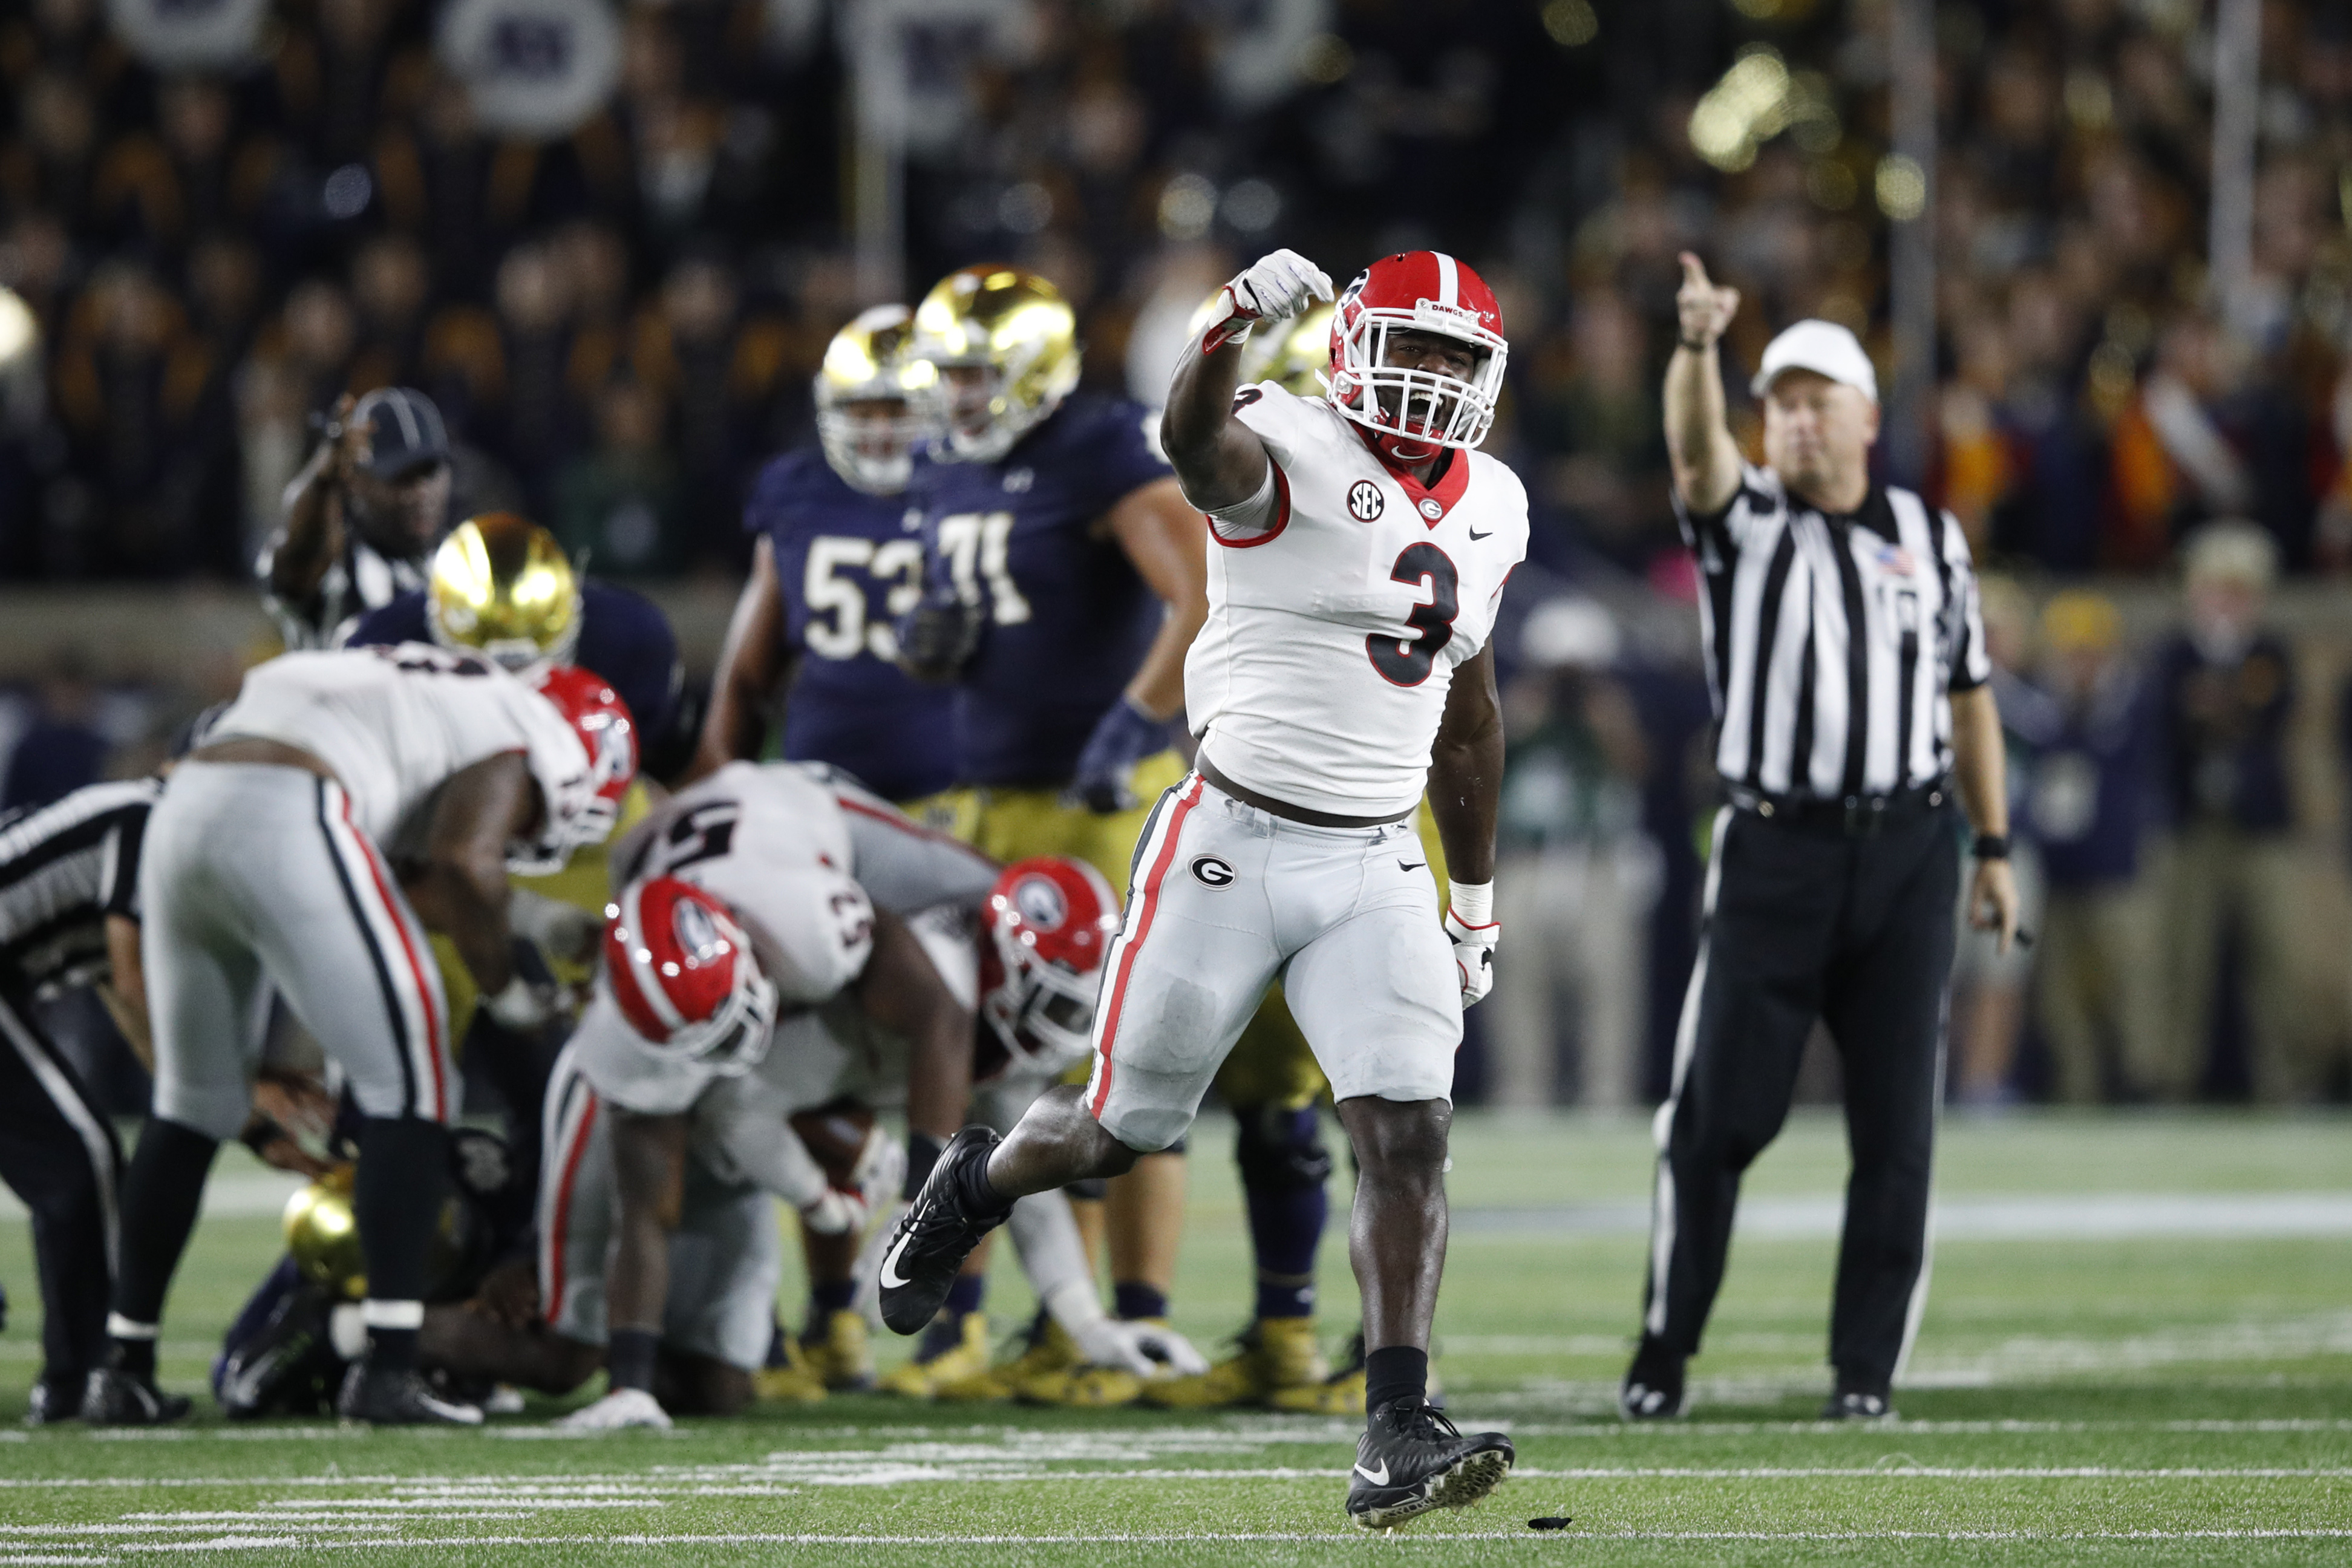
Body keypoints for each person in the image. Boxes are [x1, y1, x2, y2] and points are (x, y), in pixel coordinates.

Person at [873, 247, 1527, 1530]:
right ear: (1347, 346)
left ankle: (1398, 1423)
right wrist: (1226, 324)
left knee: (1407, 1130)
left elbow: (1472, 722)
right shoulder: (1278, 435)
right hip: (1227, 841)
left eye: (1457, 356)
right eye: (1413, 346)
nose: (1433, 377)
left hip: (1378, 855)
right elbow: (1190, 443)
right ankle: (971, 1188)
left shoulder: (1496, 501)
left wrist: (1476, 900)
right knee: (1120, 1133)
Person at [1621, 259, 2019, 1425]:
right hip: (1772, 851)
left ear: (1864, 415)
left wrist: (1990, 846)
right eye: (1777, 403)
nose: (1793, 420)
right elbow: (1696, 458)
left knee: (1896, 1128)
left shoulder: (1926, 536)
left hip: (1906, 852)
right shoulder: (1744, 523)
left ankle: (1863, 1371)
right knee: (1714, 1122)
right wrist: (1696, 351)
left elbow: (1968, 696)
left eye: (1814, 400)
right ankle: (1665, 1347)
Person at [82, 645, 635, 1426]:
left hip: (189, 807)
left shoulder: (427, 700)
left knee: (192, 1101)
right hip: (291, 800)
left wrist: (538, 920)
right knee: (413, 1090)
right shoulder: (528, 729)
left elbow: (418, 871)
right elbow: (465, 862)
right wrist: (511, 992)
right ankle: (389, 1371)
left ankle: (123, 1369)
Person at [887, 266, 1212, 1404]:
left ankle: (1135, 1322)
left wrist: (1134, 719)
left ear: (1030, 371)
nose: (958, 397)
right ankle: (967, 1326)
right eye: (950, 377)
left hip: (1096, 797)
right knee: (979, 1059)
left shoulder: (1100, 444)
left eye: (977, 375)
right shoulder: (943, 461)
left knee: (1121, 1064)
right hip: (989, 791)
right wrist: (930, 644)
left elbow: (1199, 591)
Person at [695, 304, 955, 811]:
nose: (880, 432)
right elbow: (748, 677)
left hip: (953, 791)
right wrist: (721, 795)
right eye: (863, 411)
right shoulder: (799, 492)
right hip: (820, 788)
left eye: (898, 410)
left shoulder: (976, 492)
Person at [2148, 523, 2310, 1101]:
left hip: (2258, 824)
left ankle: (2286, 1081)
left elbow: (2269, 719)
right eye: (2217, 589)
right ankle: (2169, 1080)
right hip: (2192, 822)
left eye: (2238, 591)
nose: (2226, 603)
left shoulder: (2271, 652)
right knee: (2181, 956)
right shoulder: (2173, 652)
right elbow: (2168, 722)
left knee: (2277, 957)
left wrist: (2217, 703)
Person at [2024, 591, 2161, 1103]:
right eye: (2070, 651)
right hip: (2057, 866)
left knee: (2132, 980)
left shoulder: (2132, 703)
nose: (2079, 662)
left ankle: (2144, 1082)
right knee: (2062, 991)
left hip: (2119, 863)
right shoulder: (2041, 705)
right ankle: (2076, 1085)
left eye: (2089, 651)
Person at [258, 387, 456, 650]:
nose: (420, 493)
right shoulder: (336, 566)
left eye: (429, 474)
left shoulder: (465, 562)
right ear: (353, 480)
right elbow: (297, 562)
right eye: (401, 478)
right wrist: (323, 479)